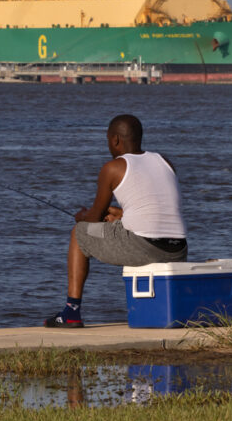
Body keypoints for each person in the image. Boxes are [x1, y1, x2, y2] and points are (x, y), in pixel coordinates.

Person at [45, 114, 187, 328]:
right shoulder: (164, 161)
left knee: (80, 233)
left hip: (143, 247)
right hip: (178, 250)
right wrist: (116, 216)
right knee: (111, 220)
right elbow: (153, 211)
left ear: (115, 140)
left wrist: (82, 216)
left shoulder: (113, 167)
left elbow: (93, 218)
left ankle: (71, 311)